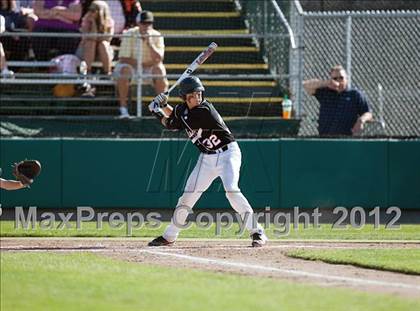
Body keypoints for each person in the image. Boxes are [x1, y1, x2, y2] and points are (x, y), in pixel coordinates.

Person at [147, 76, 268, 247]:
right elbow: (177, 115)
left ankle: (257, 232)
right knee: (187, 196)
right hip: (207, 158)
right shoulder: (184, 110)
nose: (196, 98)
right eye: (191, 96)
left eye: (198, 94)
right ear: (184, 98)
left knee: (231, 191)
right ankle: (170, 236)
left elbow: (172, 124)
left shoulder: (205, 111)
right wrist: (163, 106)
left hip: (227, 154)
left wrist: (156, 110)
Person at [114, 10, 168, 118]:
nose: (146, 26)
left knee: (160, 71)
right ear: (138, 23)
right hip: (133, 67)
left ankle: (161, 108)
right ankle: (123, 109)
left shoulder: (157, 35)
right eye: (144, 23)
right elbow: (123, 58)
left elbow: (158, 59)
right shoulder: (129, 34)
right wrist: (141, 64)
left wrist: (149, 43)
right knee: (124, 70)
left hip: (149, 67)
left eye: (149, 23)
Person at [303, 65, 373, 136]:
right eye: (335, 78)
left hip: (347, 138)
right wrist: (326, 83)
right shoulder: (325, 92)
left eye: (341, 78)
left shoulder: (355, 94)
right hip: (325, 138)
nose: (338, 81)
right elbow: (306, 85)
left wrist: (361, 121)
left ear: (346, 79)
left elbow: (368, 113)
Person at [76, 0, 114, 75]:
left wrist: (95, 37)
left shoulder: (110, 22)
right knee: (90, 42)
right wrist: (93, 23)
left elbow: (108, 38)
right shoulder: (85, 20)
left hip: (102, 52)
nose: (90, 12)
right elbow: (87, 37)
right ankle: (88, 72)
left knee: (103, 44)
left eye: (93, 10)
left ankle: (108, 73)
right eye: (89, 9)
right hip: (85, 51)